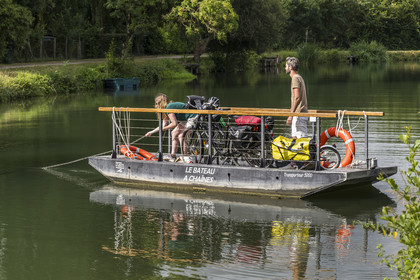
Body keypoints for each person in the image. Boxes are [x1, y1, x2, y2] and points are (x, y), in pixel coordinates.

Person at [145, 93, 196, 161]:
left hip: (193, 117)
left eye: (157, 103)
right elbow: (162, 126)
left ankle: (186, 157)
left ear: (161, 103)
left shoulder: (169, 108)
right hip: (186, 119)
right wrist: (151, 132)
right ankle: (173, 155)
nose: (155, 105)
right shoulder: (167, 109)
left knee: (181, 135)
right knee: (174, 133)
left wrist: (164, 128)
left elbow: (174, 124)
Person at [285, 57, 308, 139]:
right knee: (296, 140)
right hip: (299, 114)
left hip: (299, 114)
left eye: (286, 66)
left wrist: (291, 115)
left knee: (301, 141)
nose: (285, 68)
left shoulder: (295, 78)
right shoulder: (299, 77)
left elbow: (297, 97)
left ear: (290, 67)